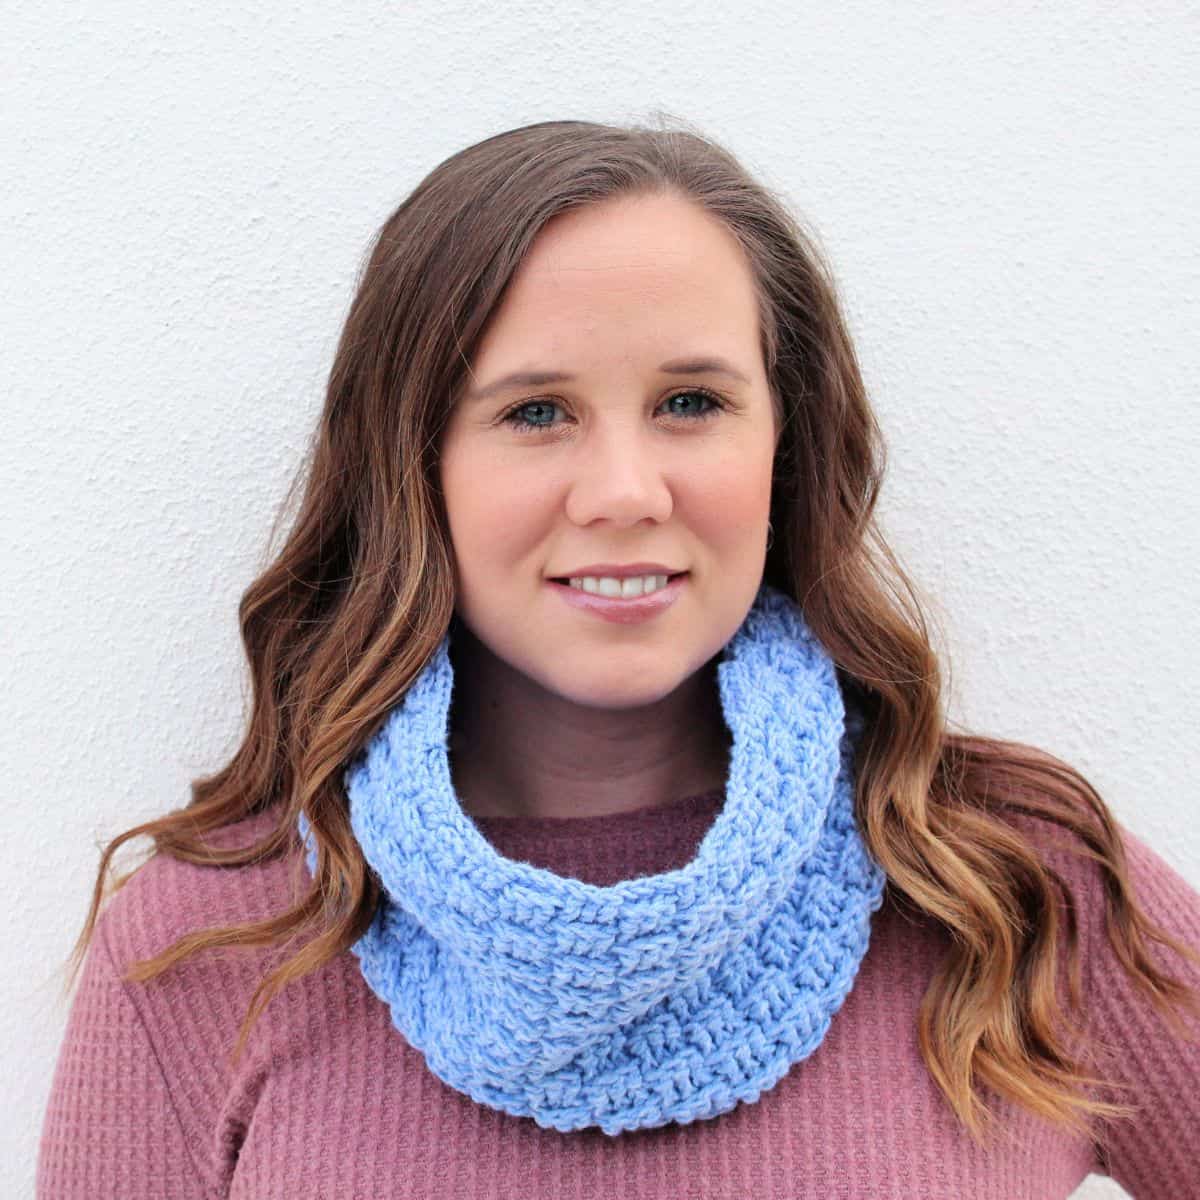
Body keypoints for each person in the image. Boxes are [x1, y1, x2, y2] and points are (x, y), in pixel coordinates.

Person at [37, 118, 1200, 1198]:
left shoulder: (1016, 882)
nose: (626, 493)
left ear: (785, 446)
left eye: (691, 401)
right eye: (536, 412)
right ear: (412, 467)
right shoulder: (210, 940)